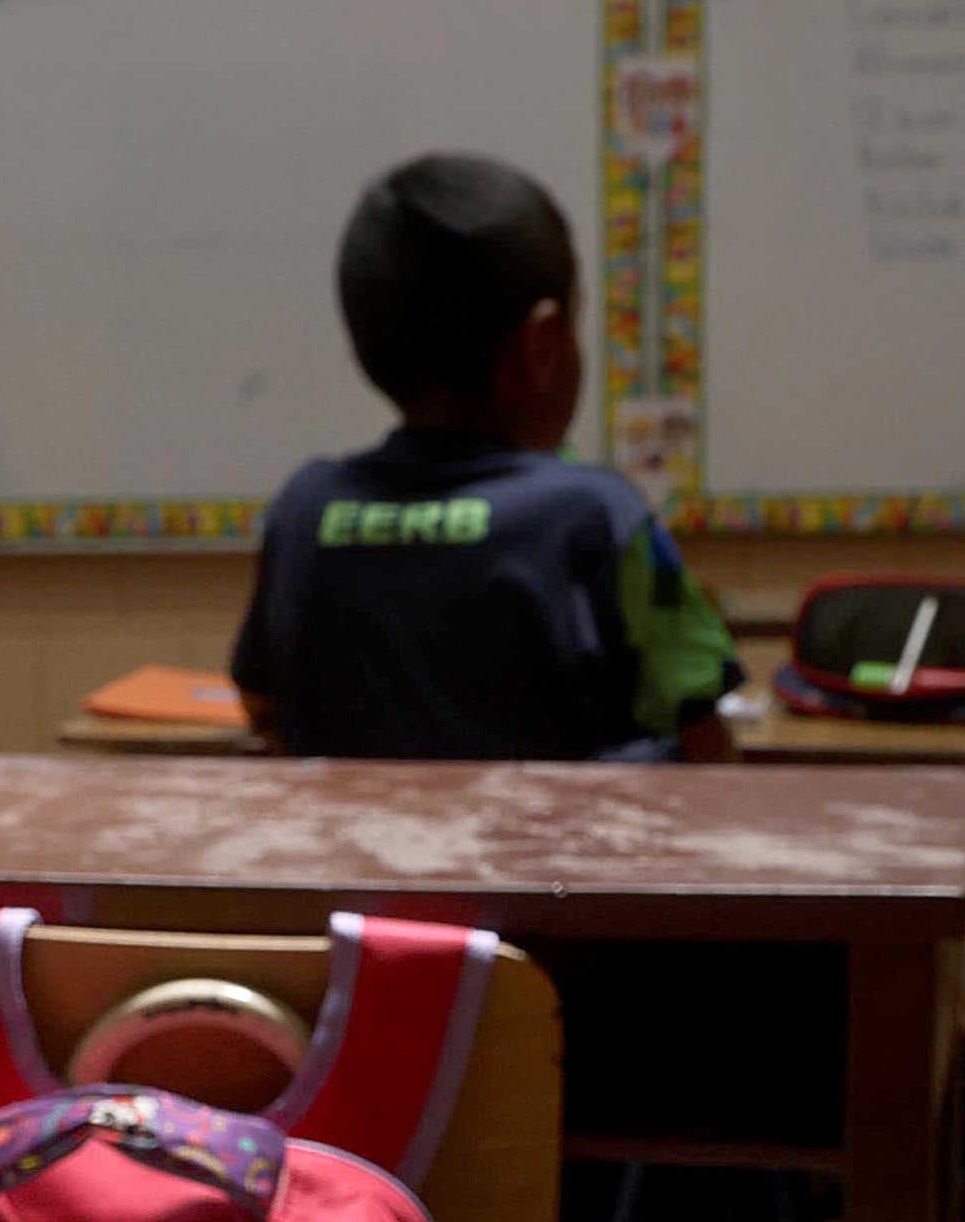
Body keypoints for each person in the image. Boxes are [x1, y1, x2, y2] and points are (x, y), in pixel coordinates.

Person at [230, 153, 737, 764]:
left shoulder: (304, 511)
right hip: (553, 860)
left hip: (355, 858)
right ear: (543, 345)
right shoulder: (595, 514)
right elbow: (705, 747)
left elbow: (263, 708)